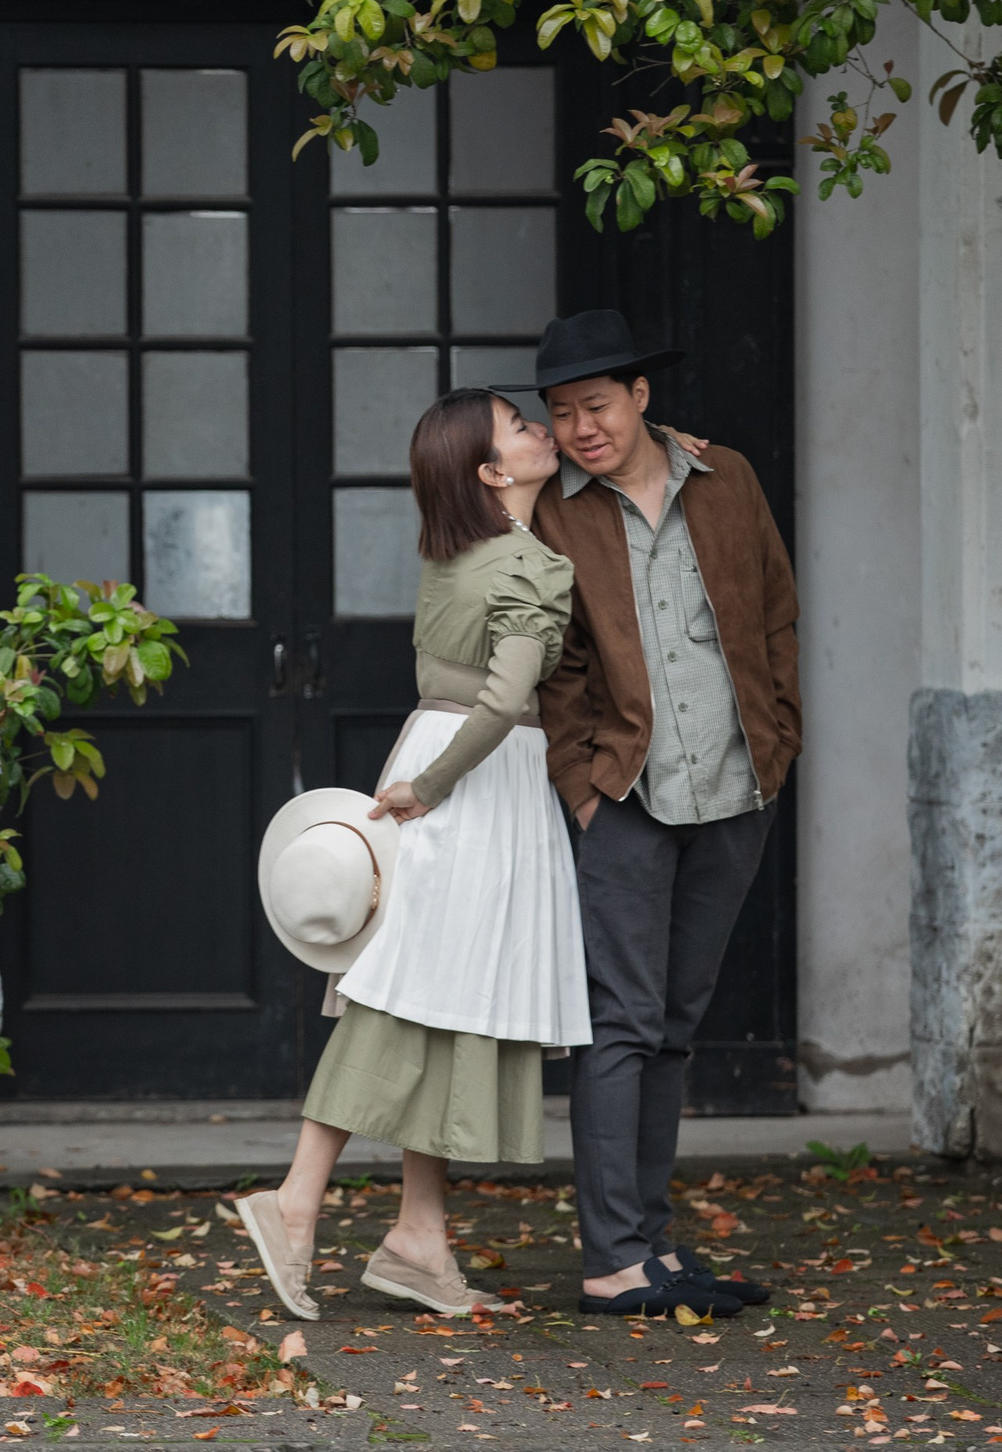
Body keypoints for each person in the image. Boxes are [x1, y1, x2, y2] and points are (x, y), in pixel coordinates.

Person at [234, 389, 602, 1322]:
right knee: (408, 1000)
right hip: (476, 785)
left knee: (438, 996)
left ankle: (419, 1237)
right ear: (492, 471)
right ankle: (296, 1199)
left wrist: (425, 781)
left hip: (433, 763)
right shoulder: (528, 564)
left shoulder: (453, 556)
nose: (540, 430)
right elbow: (505, 699)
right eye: (520, 427)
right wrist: (435, 788)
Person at [512, 307, 802, 1320]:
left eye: (596, 404)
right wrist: (581, 787)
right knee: (620, 1026)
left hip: (736, 785)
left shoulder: (724, 483)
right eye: (561, 412)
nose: (582, 426)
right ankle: (609, 1257)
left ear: (640, 397)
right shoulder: (550, 509)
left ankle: (649, 1241)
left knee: (673, 1028)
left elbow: (774, 608)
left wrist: (782, 732)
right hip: (625, 793)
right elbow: (552, 665)